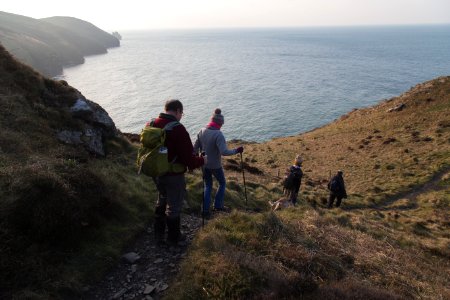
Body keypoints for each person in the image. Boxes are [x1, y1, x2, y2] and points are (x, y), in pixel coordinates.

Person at [150, 99, 205, 246]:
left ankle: (158, 236)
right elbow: (188, 159)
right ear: (178, 111)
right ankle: (174, 238)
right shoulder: (178, 129)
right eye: (182, 113)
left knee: (161, 201)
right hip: (173, 175)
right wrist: (201, 160)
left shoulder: (152, 124)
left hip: (156, 172)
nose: (181, 116)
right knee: (174, 206)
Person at [193, 108, 243, 218]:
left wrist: (197, 160)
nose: (221, 126)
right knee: (222, 183)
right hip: (215, 165)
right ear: (219, 123)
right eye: (221, 124)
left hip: (203, 164)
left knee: (208, 185)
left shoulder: (201, 130)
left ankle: (205, 210)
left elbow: (194, 149)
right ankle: (218, 205)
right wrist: (236, 150)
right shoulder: (218, 134)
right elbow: (224, 152)